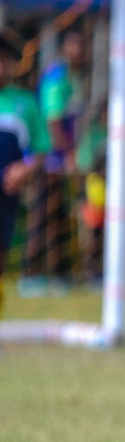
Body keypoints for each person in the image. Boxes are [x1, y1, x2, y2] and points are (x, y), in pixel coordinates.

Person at [23, 26, 91, 294]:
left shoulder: (72, 77)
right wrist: (69, 154)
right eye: (74, 44)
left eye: (82, 45)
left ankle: (58, 274)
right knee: (42, 215)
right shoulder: (57, 77)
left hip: (58, 159)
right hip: (47, 159)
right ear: (65, 48)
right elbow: (53, 121)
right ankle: (31, 274)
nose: (80, 50)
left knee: (59, 216)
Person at [0, 33, 49, 313]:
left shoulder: (23, 103)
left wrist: (25, 169)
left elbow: (41, 152)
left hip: (5, 195)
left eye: (2, 60)